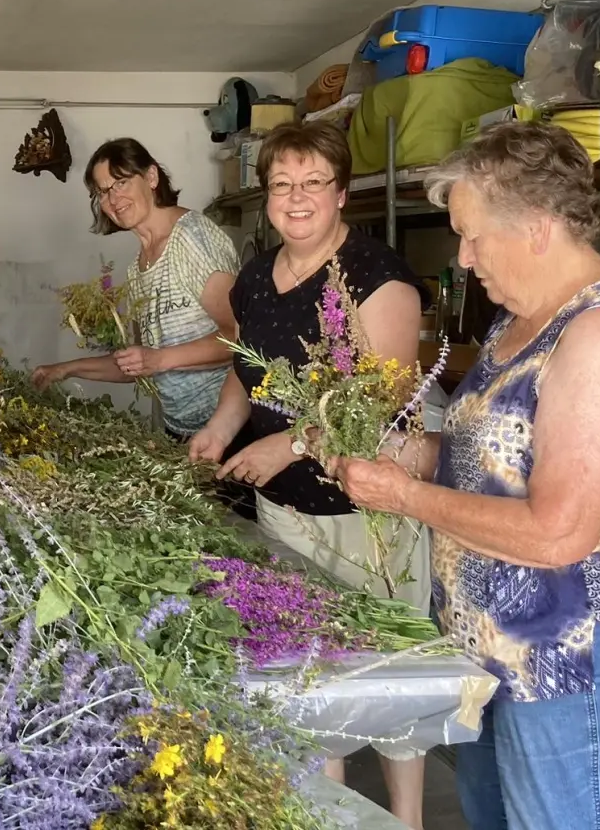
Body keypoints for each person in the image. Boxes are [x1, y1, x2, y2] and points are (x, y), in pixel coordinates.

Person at [334, 122, 600, 830]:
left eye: (471, 235)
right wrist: (384, 452)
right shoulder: (520, 318)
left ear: (538, 227)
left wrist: (403, 497)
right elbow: (483, 460)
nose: (462, 258)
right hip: (490, 639)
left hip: (564, 647)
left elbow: (558, 534)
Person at [187, 120, 430, 828]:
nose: (296, 199)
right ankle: (332, 815)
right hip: (285, 512)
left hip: (367, 511)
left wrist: (288, 446)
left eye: (312, 183)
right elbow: (247, 371)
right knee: (312, 670)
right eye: (281, 185)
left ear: (342, 192)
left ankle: (407, 819)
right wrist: (224, 428)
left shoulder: (379, 279)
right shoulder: (258, 274)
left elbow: (379, 406)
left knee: (385, 671)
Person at [30, 138, 239, 439]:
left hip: (230, 431)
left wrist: (158, 360)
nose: (113, 199)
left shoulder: (192, 239)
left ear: (151, 177)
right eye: (102, 192)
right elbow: (140, 362)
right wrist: (64, 369)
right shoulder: (138, 267)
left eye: (121, 183)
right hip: (182, 433)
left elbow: (240, 337)